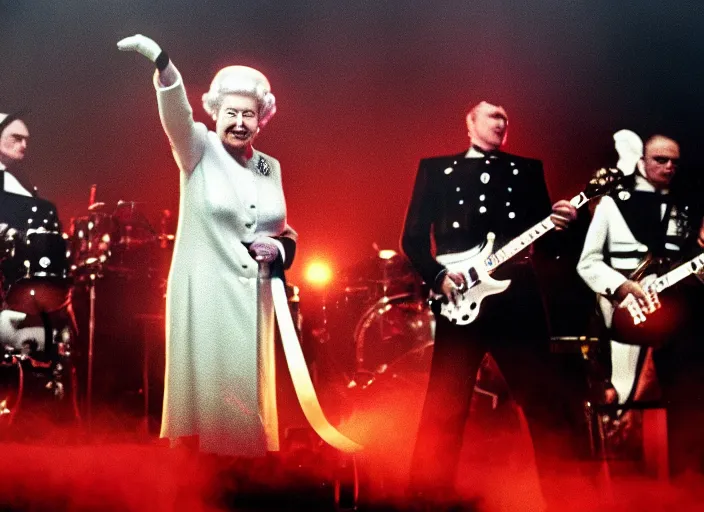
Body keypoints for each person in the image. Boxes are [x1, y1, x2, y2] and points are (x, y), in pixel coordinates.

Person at [117, 35, 302, 457]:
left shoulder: (267, 165)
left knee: (246, 398)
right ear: (215, 113)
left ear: (262, 120)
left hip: (254, 298)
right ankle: (198, 483)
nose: (240, 122)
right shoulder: (198, 148)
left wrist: (280, 251)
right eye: (231, 113)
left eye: (249, 115)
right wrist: (163, 64)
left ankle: (243, 482)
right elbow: (176, 113)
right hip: (206, 296)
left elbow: (285, 231)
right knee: (206, 405)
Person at [401, 100, 580, 508]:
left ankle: (567, 497)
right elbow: (412, 239)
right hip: (458, 297)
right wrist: (438, 276)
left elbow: (547, 245)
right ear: (470, 123)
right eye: (492, 116)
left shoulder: (528, 169)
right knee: (445, 405)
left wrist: (564, 223)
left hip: (517, 298)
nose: (501, 123)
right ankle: (426, 499)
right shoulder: (435, 169)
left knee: (544, 401)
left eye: (505, 118)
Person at [577, 134, 704, 475]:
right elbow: (587, 263)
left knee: (685, 405)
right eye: (660, 160)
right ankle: (623, 479)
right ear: (642, 162)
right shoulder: (610, 205)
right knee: (623, 395)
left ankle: (685, 483)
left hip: (679, 318)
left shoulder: (688, 205)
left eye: (674, 161)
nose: (669, 167)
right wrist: (621, 287)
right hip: (623, 313)